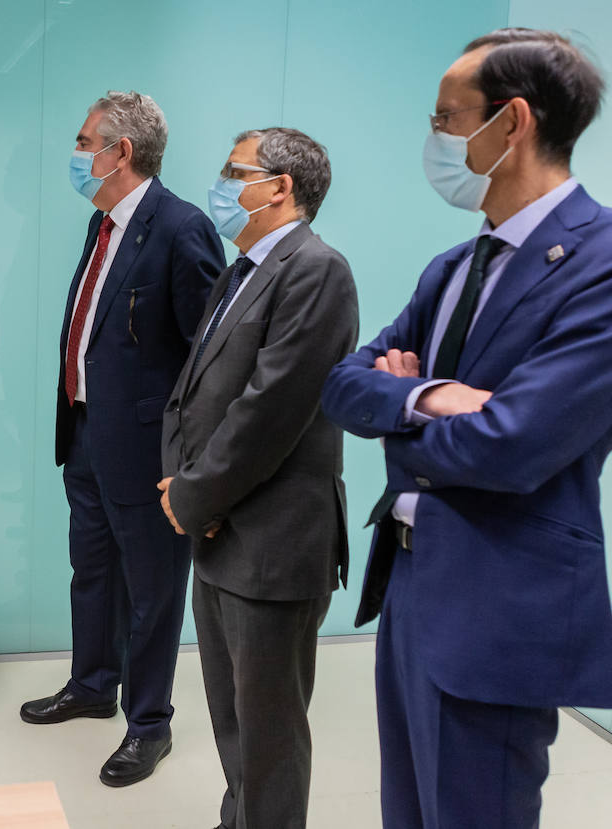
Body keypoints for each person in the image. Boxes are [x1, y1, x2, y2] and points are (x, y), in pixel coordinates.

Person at [320, 29, 612, 827]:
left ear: (511, 122)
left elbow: (513, 446)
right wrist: (432, 397)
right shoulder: (452, 267)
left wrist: (403, 400)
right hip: (411, 582)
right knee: (408, 810)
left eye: (447, 118)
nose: (436, 138)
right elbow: (342, 386)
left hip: (501, 598)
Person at [19, 91, 223, 787]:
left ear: (119, 153)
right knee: (94, 573)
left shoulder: (181, 227)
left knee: (152, 590)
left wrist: (189, 461)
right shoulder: (100, 223)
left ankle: (149, 723)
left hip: (145, 451)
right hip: (83, 432)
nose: (77, 153)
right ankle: (92, 684)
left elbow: (210, 358)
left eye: (84, 141)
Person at [160, 128, 357, 829]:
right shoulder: (240, 268)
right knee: (233, 720)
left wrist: (194, 493)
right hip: (219, 531)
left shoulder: (317, 269)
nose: (219, 182)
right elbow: (193, 392)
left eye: (232, 170)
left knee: (270, 732)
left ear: (278, 187)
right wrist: (184, 484)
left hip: (273, 540)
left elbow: (270, 410)